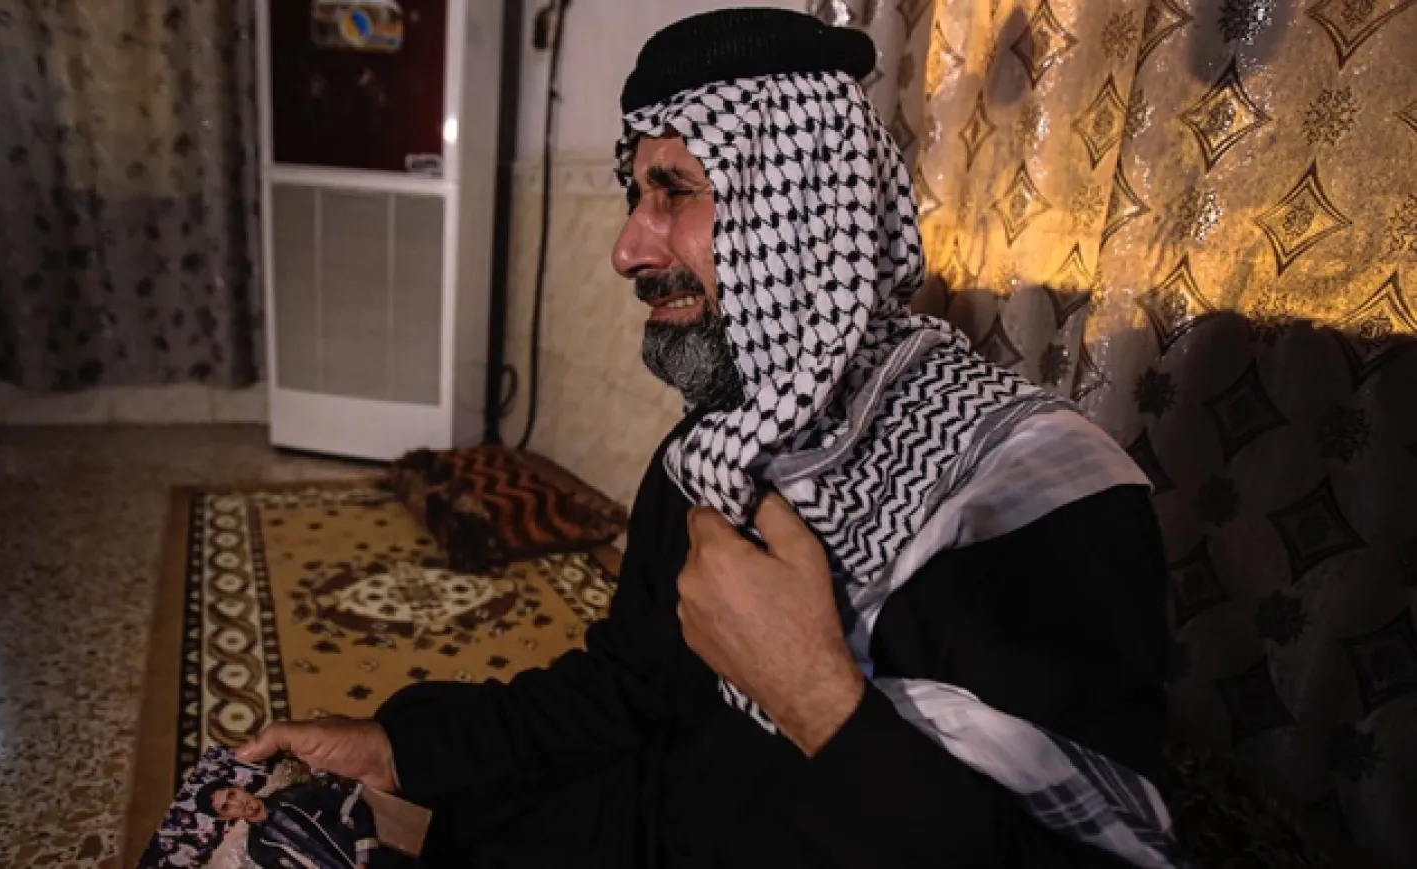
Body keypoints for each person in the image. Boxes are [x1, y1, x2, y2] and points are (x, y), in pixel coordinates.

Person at [241, 9, 1183, 867]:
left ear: (804, 209)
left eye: (675, 191)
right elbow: (627, 688)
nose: (627, 249)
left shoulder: (1039, 496)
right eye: (635, 194)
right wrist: (398, 747)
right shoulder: (718, 450)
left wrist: (818, 701)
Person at [198, 778, 380, 868]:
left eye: (232, 795)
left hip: (376, 861)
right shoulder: (258, 850)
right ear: (224, 818)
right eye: (226, 807)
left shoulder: (297, 795)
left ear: (239, 787)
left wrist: (363, 859)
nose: (238, 804)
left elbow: (355, 806)